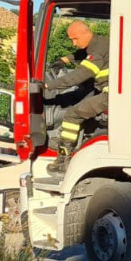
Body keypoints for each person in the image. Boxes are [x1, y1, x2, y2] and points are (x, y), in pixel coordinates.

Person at [45, 21, 109, 174]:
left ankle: (64, 158)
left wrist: (49, 86)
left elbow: (78, 75)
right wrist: (64, 60)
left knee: (72, 114)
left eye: (75, 39)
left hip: (109, 95)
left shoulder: (97, 52)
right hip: (112, 93)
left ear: (86, 33)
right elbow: (82, 54)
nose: (73, 43)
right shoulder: (101, 42)